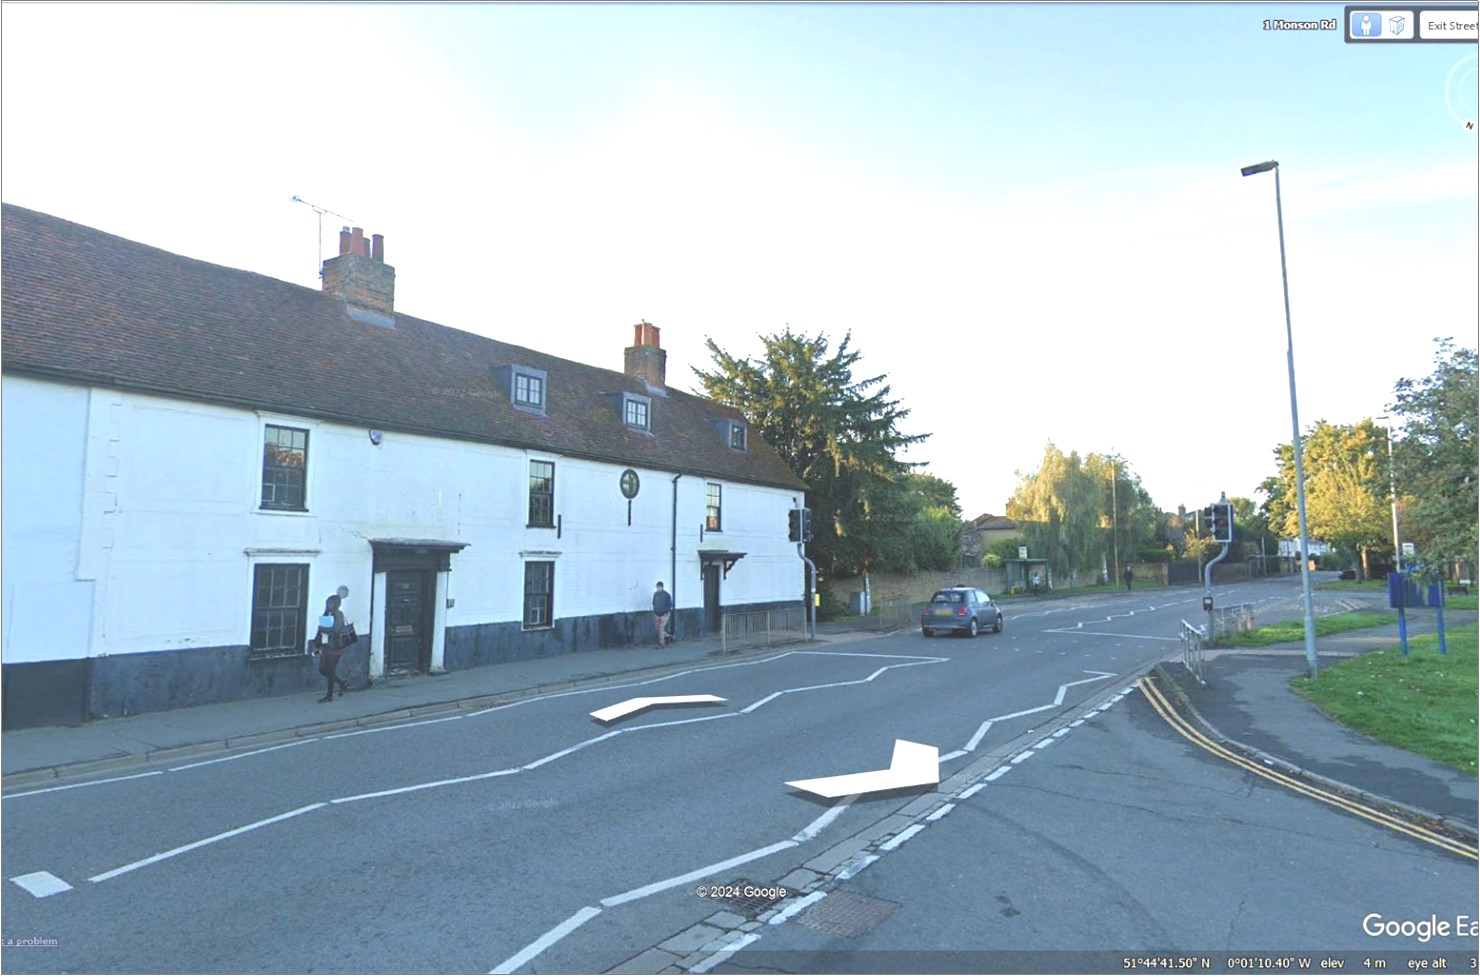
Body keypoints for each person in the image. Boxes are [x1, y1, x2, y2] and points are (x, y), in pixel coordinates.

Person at [315, 594, 350, 702]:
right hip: (326, 646)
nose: (329, 605)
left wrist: (322, 629)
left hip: (336, 647)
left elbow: (336, 629)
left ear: (336, 604)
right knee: (323, 670)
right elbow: (321, 631)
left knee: (330, 670)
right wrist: (317, 640)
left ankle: (329, 695)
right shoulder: (327, 614)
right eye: (328, 603)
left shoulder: (338, 614)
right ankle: (342, 683)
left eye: (331, 603)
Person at [652, 581, 673, 647]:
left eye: (658, 587)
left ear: (662, 587)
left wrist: (665, 612)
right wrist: (655, 610)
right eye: (657, 587)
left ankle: (662, 643)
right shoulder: (655, 594)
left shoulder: (667, 595)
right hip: (657, 613)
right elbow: (653, 603)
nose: (657, 588)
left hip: (664, 614)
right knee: (657, 628)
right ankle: (668, 636)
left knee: (661, 628)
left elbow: (669, 605)